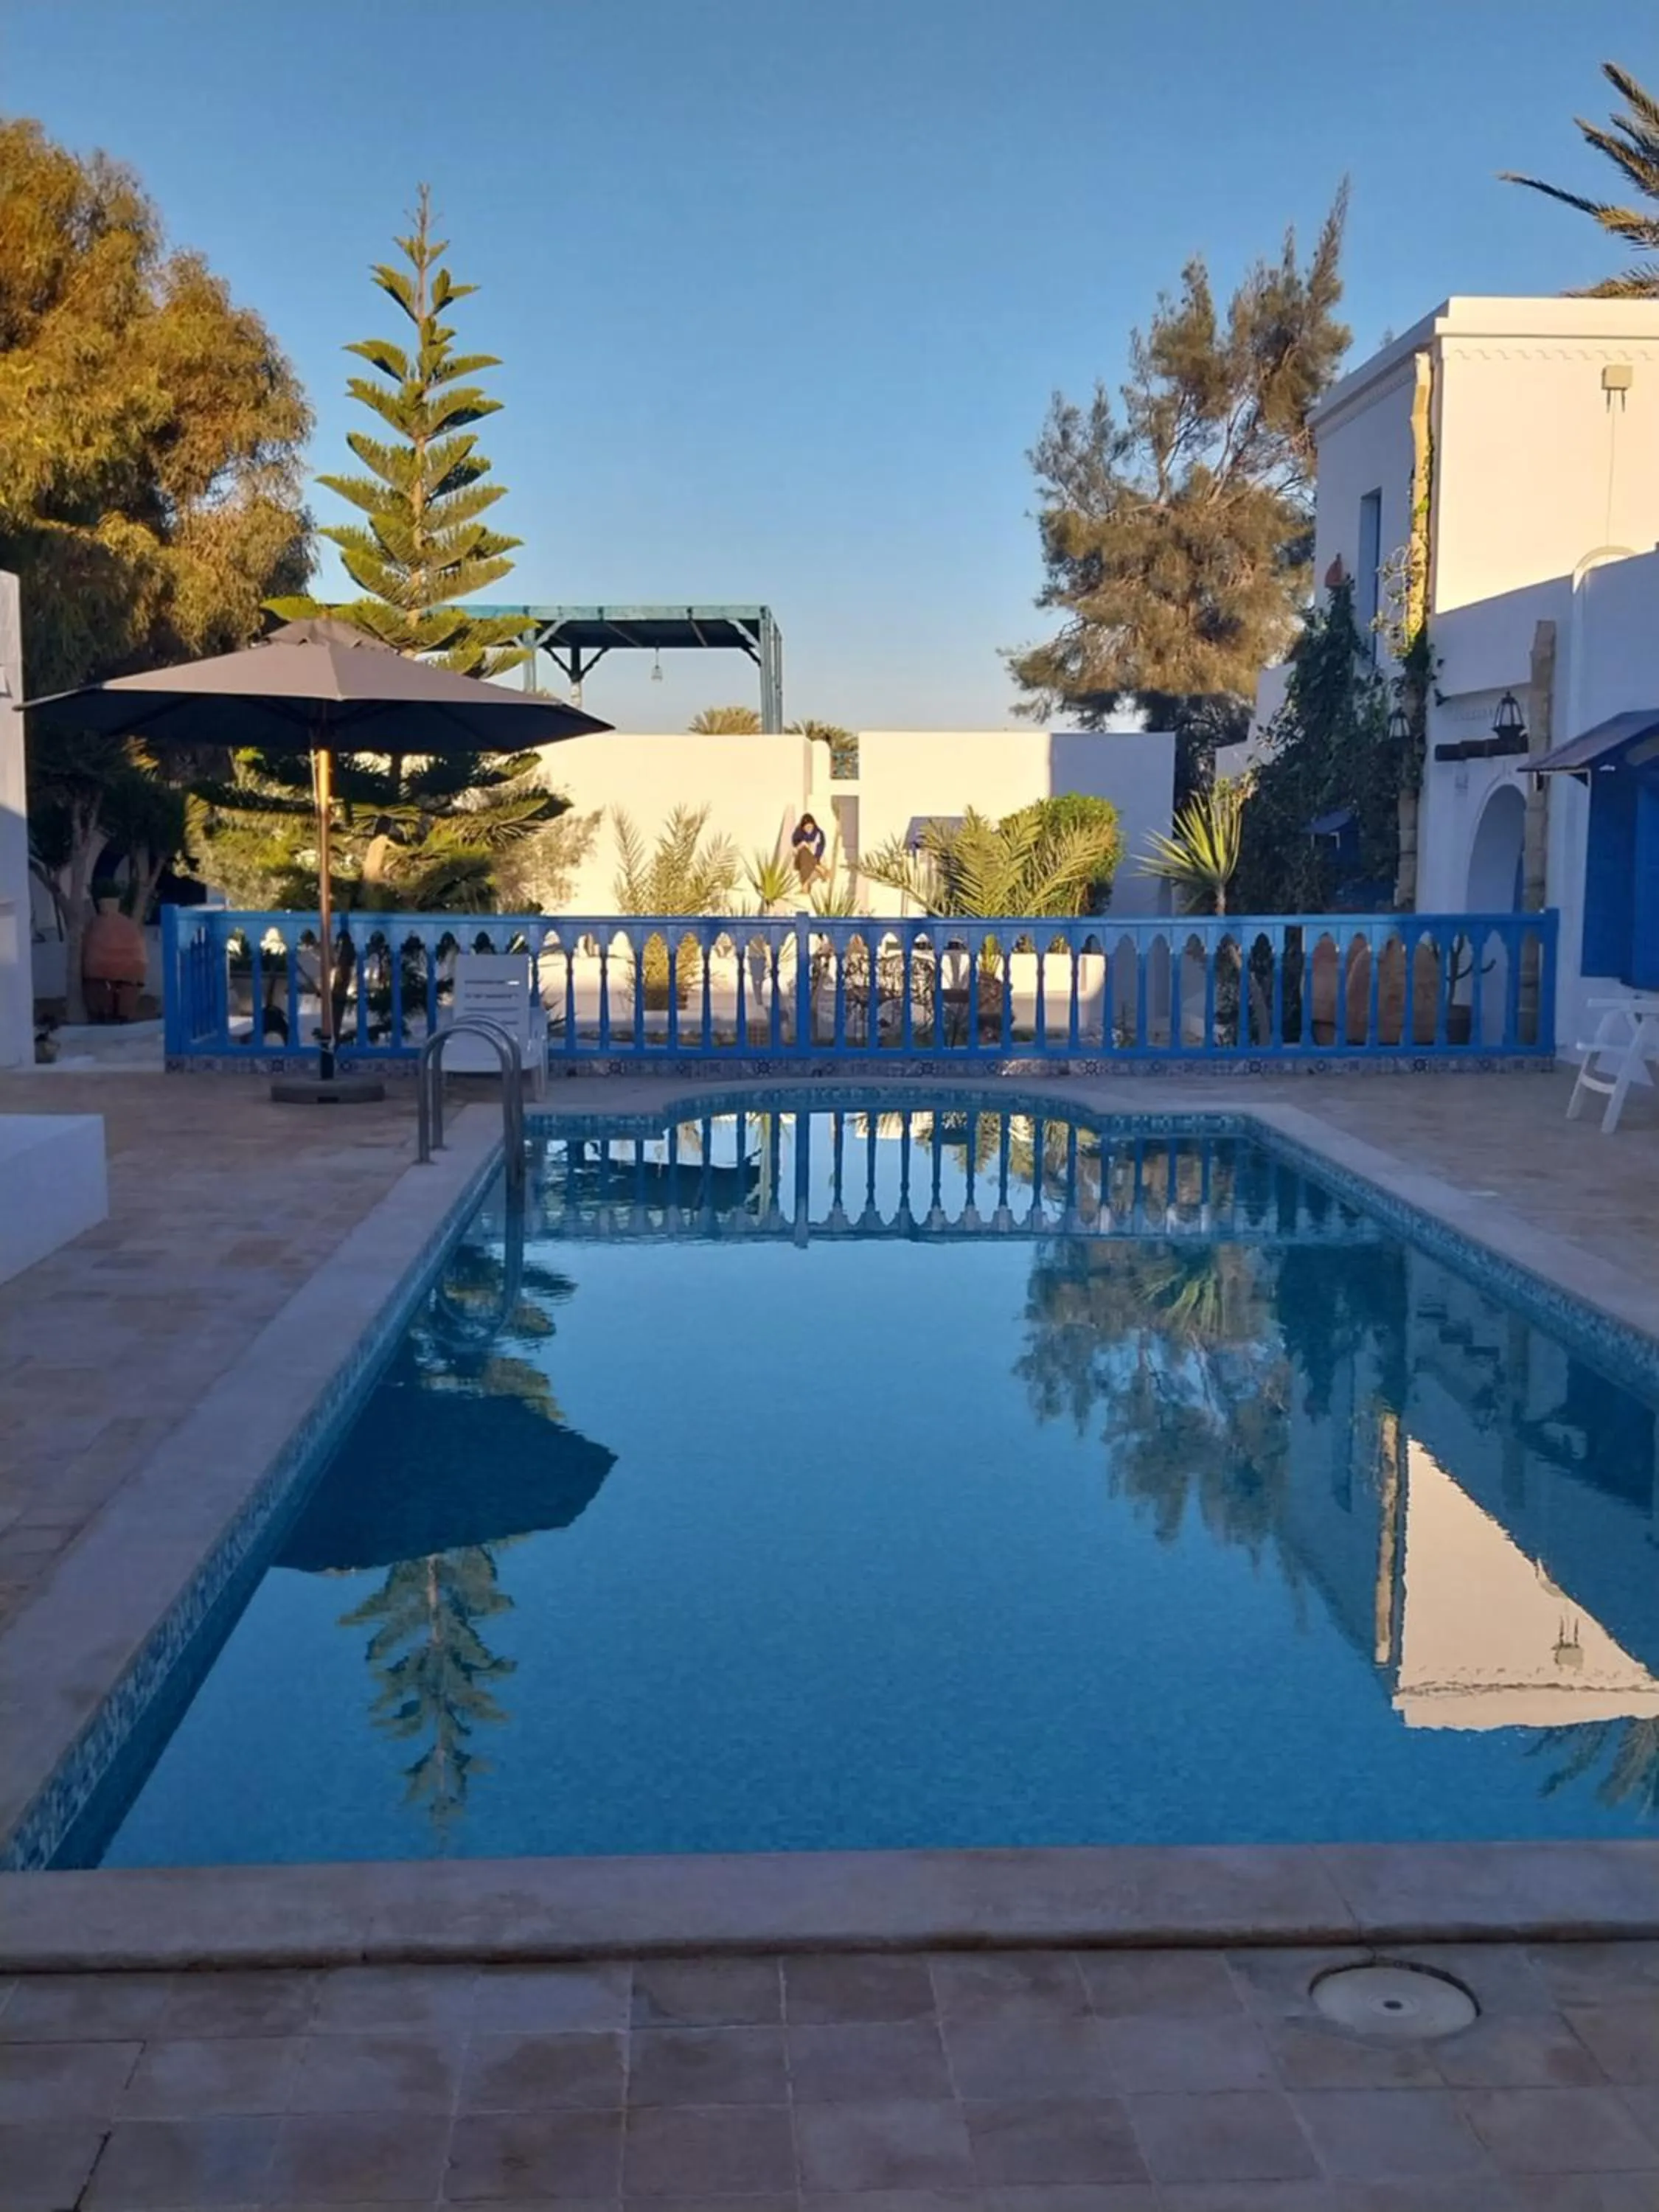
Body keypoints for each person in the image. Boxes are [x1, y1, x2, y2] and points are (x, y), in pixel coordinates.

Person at [791, 812, 827, 888]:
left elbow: (821, 847)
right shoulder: (798, 834)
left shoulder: (819, 834)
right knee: (804, 852)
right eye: (807, 827)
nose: (809, 829)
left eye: (811, 827)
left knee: (806, 860)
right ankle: (818, 867)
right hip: (800, 860)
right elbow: (795, 848)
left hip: (814, 858)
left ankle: (805, 885)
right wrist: (802, 845)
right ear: (803, 827)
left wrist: (816, 858)